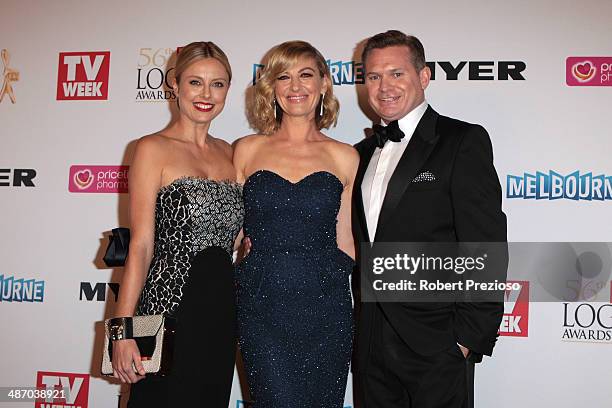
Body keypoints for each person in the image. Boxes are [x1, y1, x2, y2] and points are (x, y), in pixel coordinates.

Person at [353, 30, 507, 408]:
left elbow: (484, 243)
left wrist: (466, 339)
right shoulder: (357, 154)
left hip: (437, 342)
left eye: (396, 73)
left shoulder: (461, 140)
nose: (384, 86)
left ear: (423, 77)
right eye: (374, 76)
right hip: (370, 341)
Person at [110, 41, 243, 407]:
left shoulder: (233, 154)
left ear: (228, 90)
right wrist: (122, 331)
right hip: (167, 311)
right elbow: (140, 245)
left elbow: (241, 239)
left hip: (219, 312)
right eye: (195, 82)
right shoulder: (152, 148)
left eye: (217, 84)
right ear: (174, 83)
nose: (206, 94)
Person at [233, 40, 359, 407]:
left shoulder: (345, 156)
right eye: (283, 77)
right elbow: (232, 232)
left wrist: (328, 276)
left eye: (306, 75)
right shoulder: (247, 149)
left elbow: (347, 240)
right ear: (271, 87)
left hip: (326, 307)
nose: (295, 86)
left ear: (323, 83)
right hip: (262, 304)